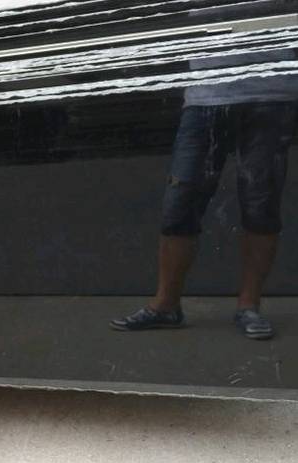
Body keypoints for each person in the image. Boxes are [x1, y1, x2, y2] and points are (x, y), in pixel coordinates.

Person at [110, 49, 298, 340]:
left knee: (261, 203)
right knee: (180, 201)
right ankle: (166, 306)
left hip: (272, 93)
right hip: (207, 93)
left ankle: (249, 307)